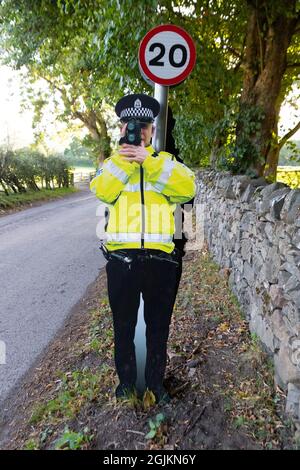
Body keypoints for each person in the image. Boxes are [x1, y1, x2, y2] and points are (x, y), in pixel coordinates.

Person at [90, 93, 196, 404]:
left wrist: (147, 163)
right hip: (121, 260)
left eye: (144, 126)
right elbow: (103, 193)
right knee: (123, 326)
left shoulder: (166, 163)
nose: (138, 132)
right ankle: (127, 386)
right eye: (130, 125)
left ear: (152, 131)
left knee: (157, 328)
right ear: (121, 128)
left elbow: (187, 190)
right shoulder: (110, 165)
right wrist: (126, 162)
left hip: (161, 260)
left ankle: (155, 385)